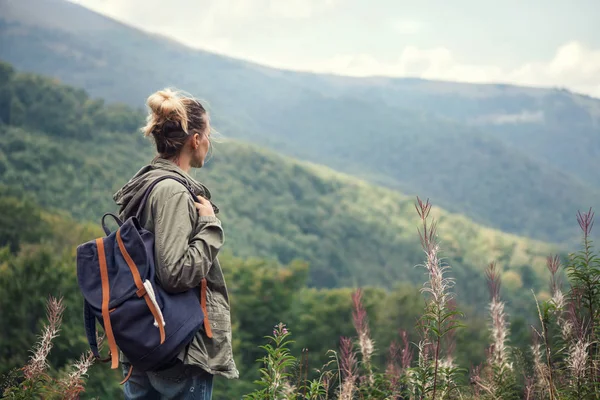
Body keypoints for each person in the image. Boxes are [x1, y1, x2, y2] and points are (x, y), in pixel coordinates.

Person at [112, 88, 239, 400]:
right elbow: (175, 273)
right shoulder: (172, 191)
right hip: (178, 349)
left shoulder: (145, 184)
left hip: (145, 340)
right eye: (207, 134)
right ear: (195, 140)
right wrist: (210, 225)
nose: (209, 143)